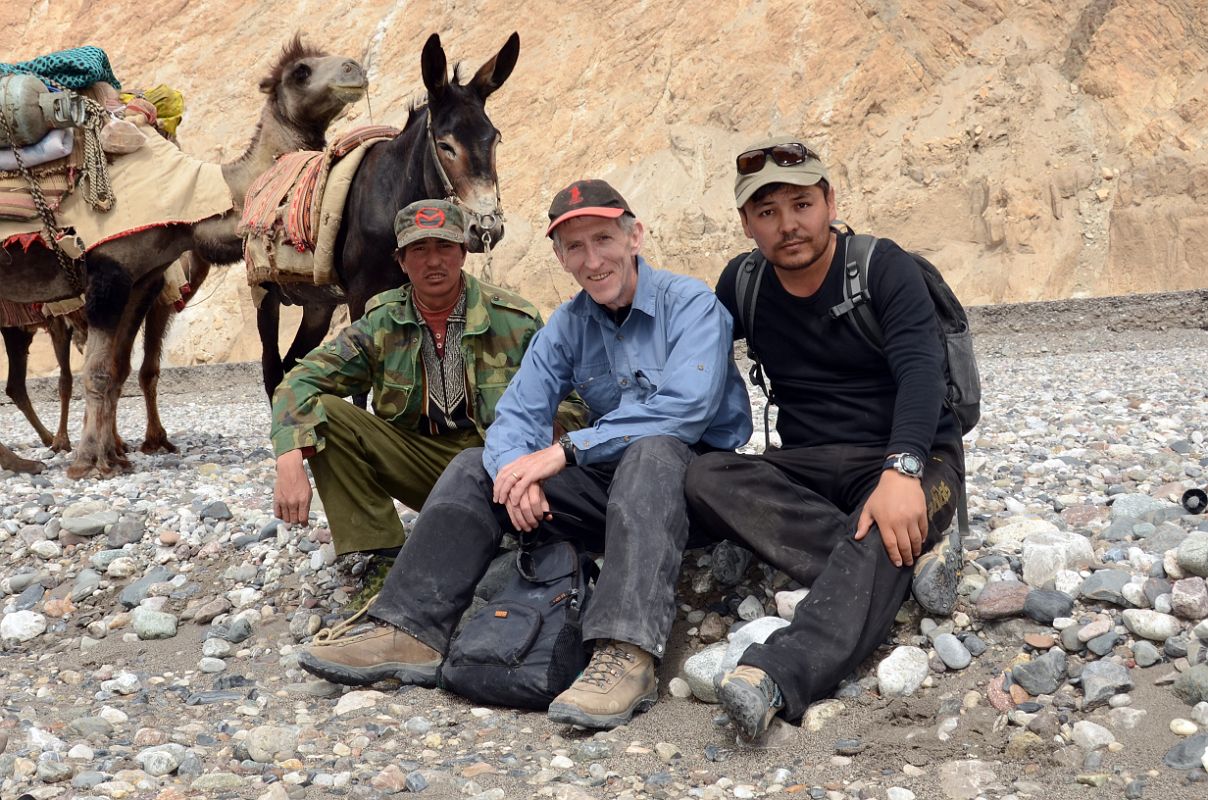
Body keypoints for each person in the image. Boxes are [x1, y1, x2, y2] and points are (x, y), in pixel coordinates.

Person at [296, 179, 752, 729]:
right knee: (472, 466)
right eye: (575, 247)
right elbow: (517, 413)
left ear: (635, 236)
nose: (593, 259)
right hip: (614, 490)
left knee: (652, 452)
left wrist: (562, 452)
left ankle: (626, 652)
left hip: (697, 487)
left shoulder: (692, 304)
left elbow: (684, 409)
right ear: (560, 257)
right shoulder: (568, 324)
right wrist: (518, 472)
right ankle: (409, 629)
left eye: (604, 239)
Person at [685, 137, 965, 739]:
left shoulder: (882, 266)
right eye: (767, 212)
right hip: (805, 464)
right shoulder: (743, 283)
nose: (788, 225)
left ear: (829, 200)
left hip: (909, 458)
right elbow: (691, 360)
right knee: (704, 475)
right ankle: (898, 560)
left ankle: (779, 673)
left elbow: (922, 372)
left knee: (885, 519)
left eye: (801, 204)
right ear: (746, 224)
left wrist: (904, 469)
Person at [270, 198, 584, 557]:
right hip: (417, 464)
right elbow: (302, 379)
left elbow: (574, 401)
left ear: (463, 253)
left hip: (499, 466)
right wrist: (289, 455)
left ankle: (515, 530)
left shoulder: (516, 319)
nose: (433, 261)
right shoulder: (381, 322)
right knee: (327, 413)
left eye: (445, 247)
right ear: (402, 262)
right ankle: (379, 551)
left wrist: (535, 455)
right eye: (419, 249)